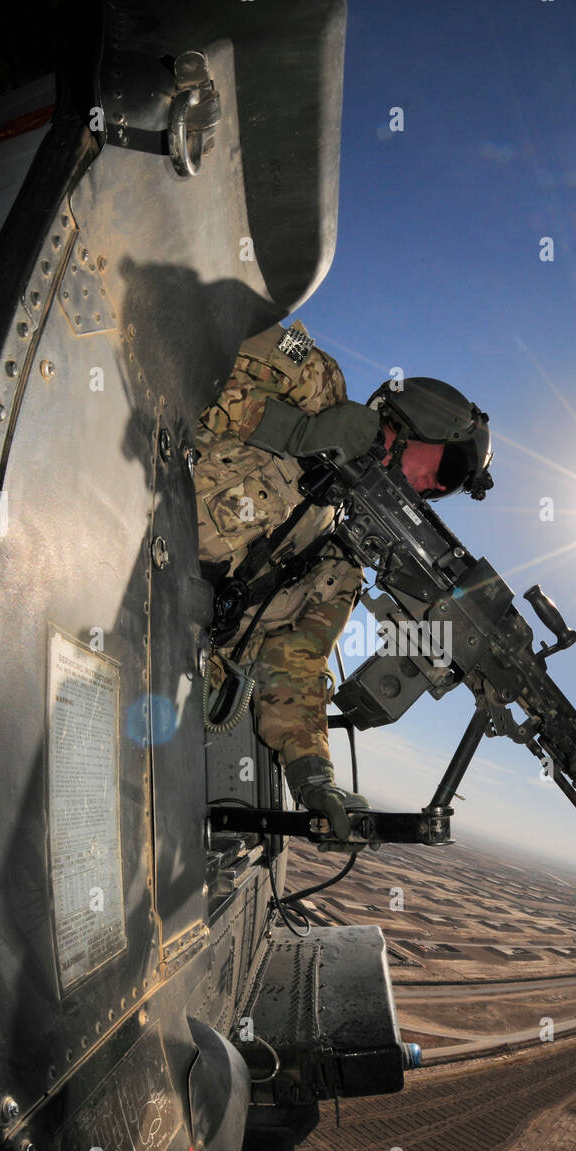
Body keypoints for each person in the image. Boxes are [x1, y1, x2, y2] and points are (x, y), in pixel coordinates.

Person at [194, 319, 492, 849]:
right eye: (442, 472)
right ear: (421, 422)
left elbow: (295, 668)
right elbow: (179, 361)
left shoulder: (337, 561)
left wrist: (314, 780)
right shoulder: (314, 380)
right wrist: (298, 434)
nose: (430, 490)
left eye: (442, 492)